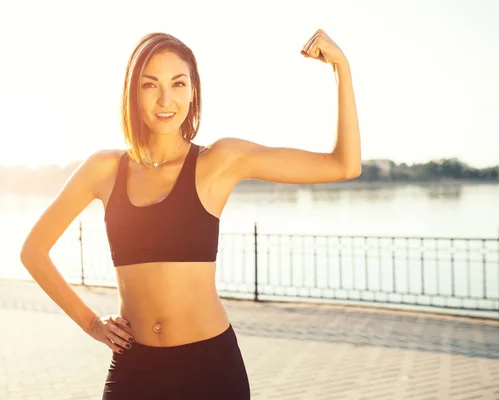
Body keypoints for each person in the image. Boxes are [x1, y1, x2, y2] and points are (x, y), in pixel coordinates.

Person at [20, 28, 361, 400]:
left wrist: (340, 68)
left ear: (193, 89)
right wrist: (90, 323)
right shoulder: (104, 169)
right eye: (150, 85)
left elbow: (343, 165)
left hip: (210, 369)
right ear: (133, 92)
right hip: (135, 369)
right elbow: (34, 251)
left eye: (178, 84)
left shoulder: (219, 161)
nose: (166, 99)